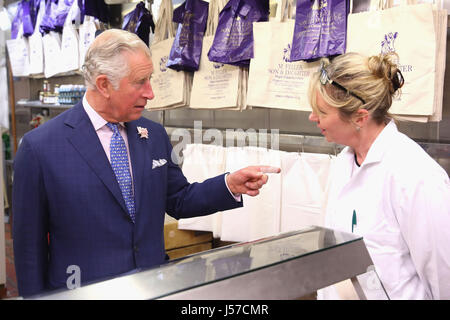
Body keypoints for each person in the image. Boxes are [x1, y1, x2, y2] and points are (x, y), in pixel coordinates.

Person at [12, 29, 280, 297]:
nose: (150, 93)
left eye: (150, 79)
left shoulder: (152, 135)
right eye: (140, 82)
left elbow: (178, 199)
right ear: (104, 84)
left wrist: (229, 184)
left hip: (153, 286)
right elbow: (28, 248)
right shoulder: (41, 148)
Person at [307, 52, 450, 299]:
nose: (312, 118)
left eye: (321, 111)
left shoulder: (415, 176)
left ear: (360, 117)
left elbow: (443, 278)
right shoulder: (344, 163)